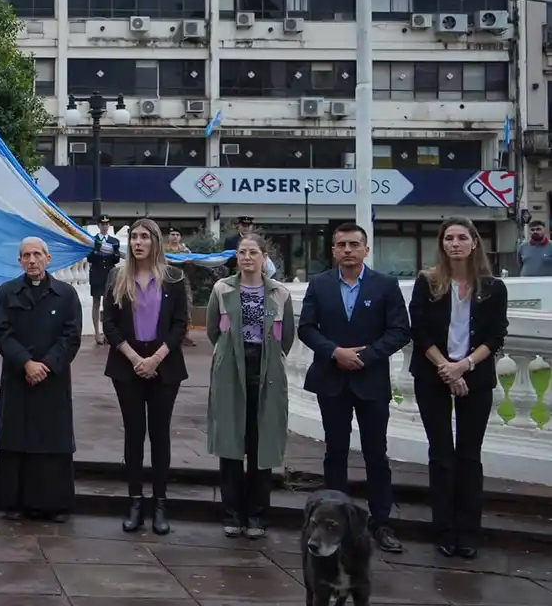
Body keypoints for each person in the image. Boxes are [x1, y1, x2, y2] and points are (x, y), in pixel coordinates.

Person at [298, 221, 412, 553]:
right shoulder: (319, 285)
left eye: (353, 244)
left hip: (370, 380)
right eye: (341, 245)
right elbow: (306, 328)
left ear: (366, 248)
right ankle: (334, 522)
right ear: (333, 250)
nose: (347, 250)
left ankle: (380, 522)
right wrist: (335, 352)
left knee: (376, 453)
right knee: (335, 452)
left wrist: (367, 356)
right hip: (331, 380)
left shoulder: (385, 285)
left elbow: (400, 330)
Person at [408, 217, 508, 560]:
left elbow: (496, 336)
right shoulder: (428, 282)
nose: (454, 243)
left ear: (474, 242)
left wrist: (464, 366)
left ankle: (468, 532)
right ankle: (444, 530)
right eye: (448, 237)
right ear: (442, 243)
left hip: (475, 376)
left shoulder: (493, 287)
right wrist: (446, 369)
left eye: (461, 237)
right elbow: (419, 331)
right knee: (441, 453)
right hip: (433, 373)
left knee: (468, 454)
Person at [102, 217, 190, 535]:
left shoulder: (174, 278)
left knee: (160, 434)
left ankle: (160, 503)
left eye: (144, 237)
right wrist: (136, 357)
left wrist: (155, 358)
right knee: (134, 433)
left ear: (155, 242)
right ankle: (135, 502)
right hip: (128, 363)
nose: (138, 242)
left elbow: (181, 323)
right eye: (134, 237)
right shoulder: (117, 277)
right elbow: (109, 322)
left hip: (163, 363)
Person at [205, 232, 296, 539]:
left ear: (263, 257)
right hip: (232, 366)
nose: (246, 257)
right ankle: (232, 513)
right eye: (242, 252)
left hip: (266, 366)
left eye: (252, 252)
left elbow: (287, 338)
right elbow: (212, 331)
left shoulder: (279, 293)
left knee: (262, 444)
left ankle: (257, 515)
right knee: (231, 445)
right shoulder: (222, 289)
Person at [0, 236, 83, 522]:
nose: (32, 260)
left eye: (37, 254)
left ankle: (53, 504)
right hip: (18, 377)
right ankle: (14, 502)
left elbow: (71, 336)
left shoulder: (65, 294)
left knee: (51, 440)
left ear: (48, 258)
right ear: (19, 261)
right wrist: (26, 363)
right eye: (26, 255)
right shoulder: (7, 292)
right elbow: (1, 333)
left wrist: (46, 365)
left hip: (52, 380)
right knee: (16, 439)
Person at [87, 215, 120, 346]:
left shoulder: (114, 241)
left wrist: (113, 253)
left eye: (107, 224)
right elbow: (89, 258)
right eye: (102, 224)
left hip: (110, 274)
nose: (105, 226)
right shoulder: (93, 240)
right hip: (96, 274)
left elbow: (116, 259)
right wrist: (97, 249)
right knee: (96, 302)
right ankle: (97, 333)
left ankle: (108, 333)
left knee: (109, 303)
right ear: (99, 226)